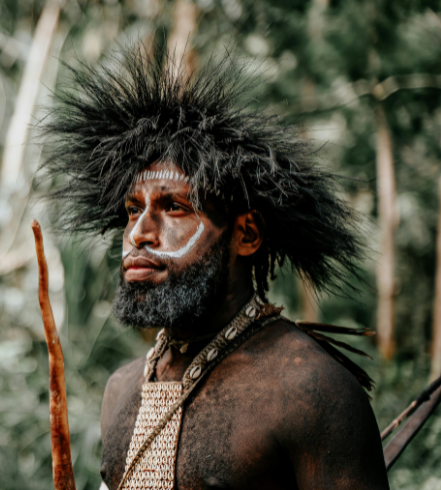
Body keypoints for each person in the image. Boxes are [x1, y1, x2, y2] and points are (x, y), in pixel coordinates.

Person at [40, 45, 389, 490]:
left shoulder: (311, 392)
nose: (140, 232)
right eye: (132, 209)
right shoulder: (122, 389)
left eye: (174, 207)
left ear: (246, 235)